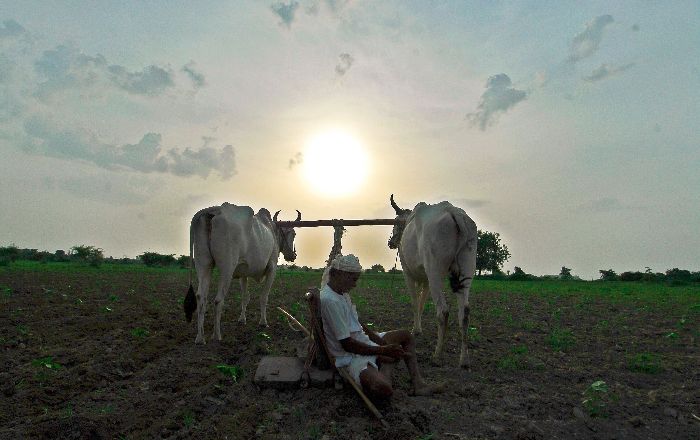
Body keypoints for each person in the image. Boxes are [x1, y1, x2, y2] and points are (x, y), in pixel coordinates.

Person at [319, 253, 443, 399]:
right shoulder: (331, 301)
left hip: (361, 342)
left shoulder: (341, 293)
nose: (354, 284)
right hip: (350, 357)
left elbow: (358, 325)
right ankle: (384, 368)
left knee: (405, 336)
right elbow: (347, 345)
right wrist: (383, 350)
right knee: (383, 389)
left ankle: (419, 385)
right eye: (353, 280)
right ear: (340, 274)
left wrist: (381, 345)